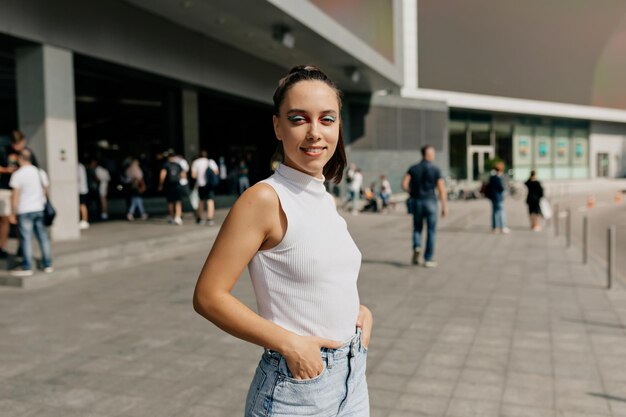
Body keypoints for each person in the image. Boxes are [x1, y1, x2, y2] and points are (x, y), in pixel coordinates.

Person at [193, 65, 372, 416]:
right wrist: (289, 344)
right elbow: (208, 296)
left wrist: (360, 312)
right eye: (298, 118)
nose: (314, 133)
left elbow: (325, 276)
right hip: (298, 388)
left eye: (327, 119)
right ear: (277, 125)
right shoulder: (264, 199)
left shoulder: (324, 197)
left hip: (352, 377)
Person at [402, 145, 448, 267]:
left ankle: (417, 246)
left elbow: (404, 184)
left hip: (417, 201)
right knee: (431, 231)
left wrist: (412, 192)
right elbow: (442, 189)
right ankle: (428, 259)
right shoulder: (435, 170)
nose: (434, 155)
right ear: (428, 155)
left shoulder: (413, 168)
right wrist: (444, 206)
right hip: (431, 201)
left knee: (417, 228)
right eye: (433, 153)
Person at [9, 149, 53, 276]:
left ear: (20, 158)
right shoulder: (40, 172)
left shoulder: (18, 174)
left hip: (25, 210)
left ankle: (27, 266)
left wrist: (13, 212)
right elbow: (46, 190)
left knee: (26, 239)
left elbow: (15, 196)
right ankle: (47, 264)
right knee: (43, 238)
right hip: (39, 208)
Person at [0, 131, 39, 257]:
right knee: (4, 219)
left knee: (21, 220)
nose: (17, 147)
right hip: (6, 188)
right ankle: (1, 247)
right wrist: (6, 170)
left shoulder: (28, 153)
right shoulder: (3, 150)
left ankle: (22, 247)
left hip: (22, 191)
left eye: (20, 144)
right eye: (15, 144)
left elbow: (36, 170)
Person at [191, 150, 219, 226]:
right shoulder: (210, 161)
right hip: (209, 184)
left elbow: (193, 175)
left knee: (201, 200)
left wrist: (199, 176)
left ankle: (200, 218)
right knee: (210, 200)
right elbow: (216, 171)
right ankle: (210, 218)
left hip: (200, 184)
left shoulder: (196, 162)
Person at [158, 150, 186, 225]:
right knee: (178, 201)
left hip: (169, 185)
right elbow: (183, 174)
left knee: (170, 201)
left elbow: (162, 175)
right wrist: (184, 182)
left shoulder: (166, 165)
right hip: (177, 184)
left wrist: (160, 184)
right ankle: (178, 217)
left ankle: (171, 216)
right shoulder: (178, 165)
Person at [486, 161, 510, 234]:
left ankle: (495, 227)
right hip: (498, 198)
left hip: (493, 197)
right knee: (501, 212)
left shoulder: (491, 177)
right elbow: (501, 188)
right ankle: (503, 227)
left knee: (494, 212)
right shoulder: (497, 178)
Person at [77, 161, 90, 229]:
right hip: (83, 189)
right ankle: (84, 220)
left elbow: (77, 178)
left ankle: (84, 220)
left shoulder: (78, 167)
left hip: (81, 190)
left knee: (82, 205)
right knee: (82, 205)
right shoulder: (81, 166)